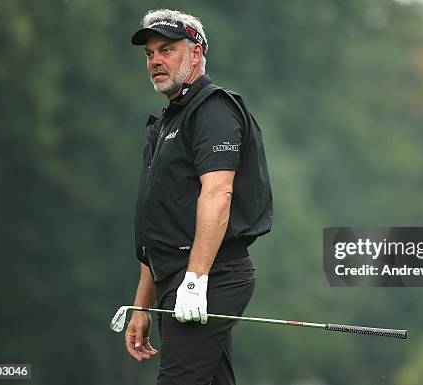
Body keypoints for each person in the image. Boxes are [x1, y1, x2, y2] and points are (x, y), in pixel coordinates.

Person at [124, 8, 273, 385]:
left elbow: (218, 194)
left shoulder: (213, 109)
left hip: (212, 276)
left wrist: (195, 281)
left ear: (196, 52)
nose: (156, 60)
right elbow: (161, 226)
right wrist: (141, 305)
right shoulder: (168, 121)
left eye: (167, 49)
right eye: (150, 53)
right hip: (179, 276)